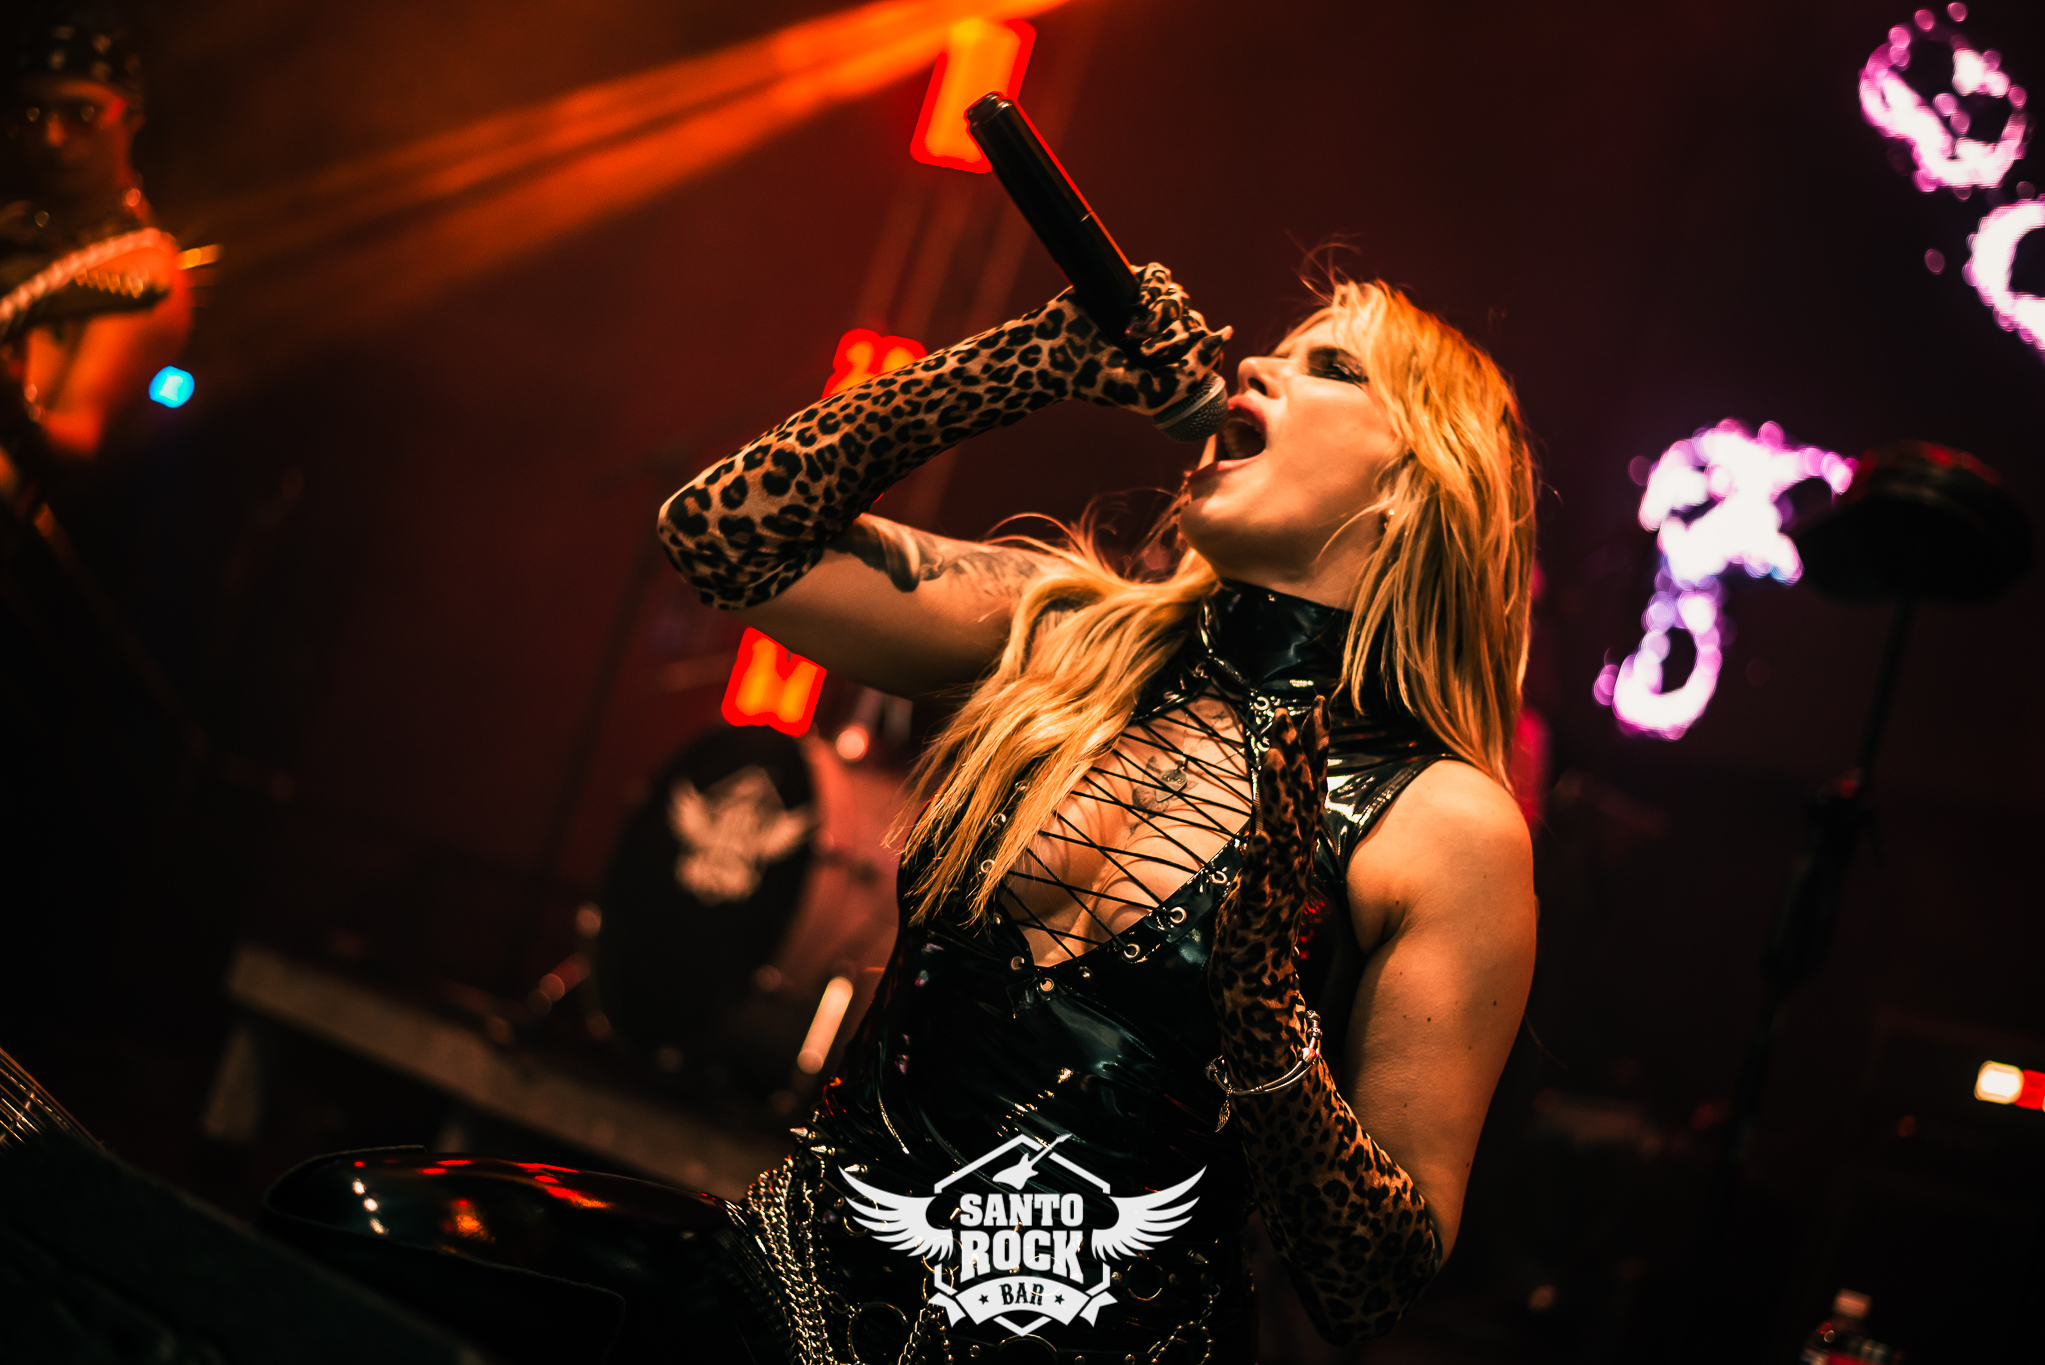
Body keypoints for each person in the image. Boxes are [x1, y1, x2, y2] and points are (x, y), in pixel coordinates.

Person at [264, 265, 1537, 1365]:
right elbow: (719, 535)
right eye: (1276, 348)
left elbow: (1371, 1281)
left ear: (1413, 484)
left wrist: (1262, 1023)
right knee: (359, 1220)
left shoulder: (1444, 827)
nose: (1253, 364)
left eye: (1327, 366)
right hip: (794, 1292)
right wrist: (1022, 364)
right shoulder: (1062, 635)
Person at [1, 2, 190, 520]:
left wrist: (14, 411)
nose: (52, 137)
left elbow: (76, 441)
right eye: (33, 115)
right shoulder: (15, 226)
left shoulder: (144, 269)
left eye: (81, 114)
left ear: (132, 116)